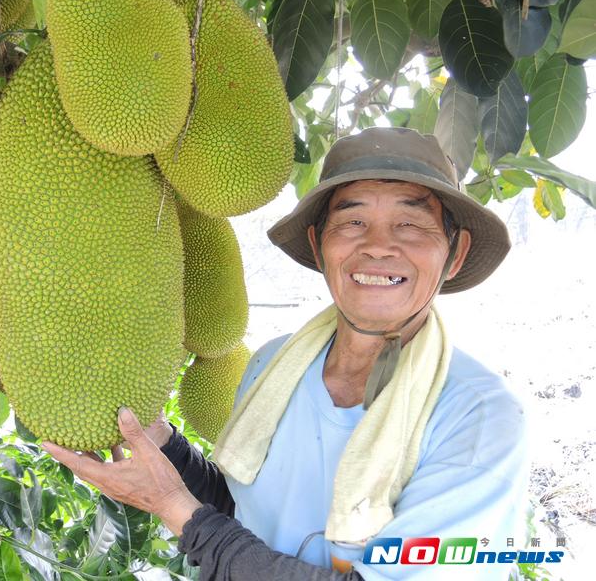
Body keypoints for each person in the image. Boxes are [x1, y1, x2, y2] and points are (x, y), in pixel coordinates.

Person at [43, 127, 530, 580]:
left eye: (410, 223)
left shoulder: (479, 416)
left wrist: (175, 507)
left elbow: (210, 530)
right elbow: (242, 516)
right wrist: (163, 444)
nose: (379, 247)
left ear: (456, 252)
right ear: (319, 247)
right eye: (354, 220)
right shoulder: (273, 365)